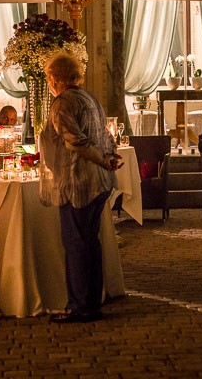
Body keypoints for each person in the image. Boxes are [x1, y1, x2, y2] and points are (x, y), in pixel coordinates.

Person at [39, 52, 121, 324]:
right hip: (99, 182)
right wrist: (110, 155)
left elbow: (75, 141)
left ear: (55, 79)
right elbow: (106, 133)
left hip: (78, 182)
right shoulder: (89, 97)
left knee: (76, 244)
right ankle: (91, 302)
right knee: (89, 243)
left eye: (49, 79)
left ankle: (80, 306)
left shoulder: (62, 103)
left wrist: (105, 158)